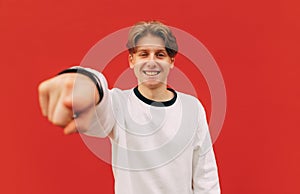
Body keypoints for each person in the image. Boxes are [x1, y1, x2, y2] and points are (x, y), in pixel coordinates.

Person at [38, 21, 221, 194]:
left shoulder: (193, 108)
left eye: (160, 54)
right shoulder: (118, 104)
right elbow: (100, 100)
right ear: (131, 60)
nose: (151, 62)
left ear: (171, 62)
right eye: (143, 54)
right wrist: (85, 82)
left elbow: (205, 175)